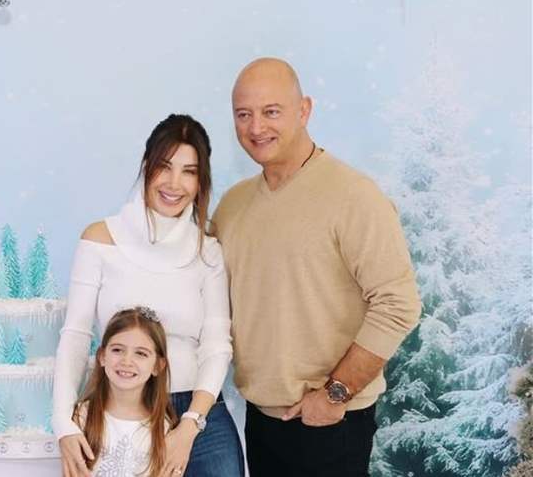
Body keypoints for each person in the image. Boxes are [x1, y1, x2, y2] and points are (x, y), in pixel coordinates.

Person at [211, 57, 422, 477]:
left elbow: (399, 304)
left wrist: (335, 394)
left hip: (330, 423)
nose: (256, 127)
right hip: (261, 420)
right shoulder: (233, 206)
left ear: (304, 110)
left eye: (272, 111)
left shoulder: (354, 196)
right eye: (243, 114)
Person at [53, 114, 245, 477]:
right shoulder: (99, 240)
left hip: (196, 410)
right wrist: (63, 423)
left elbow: (217, 344)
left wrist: (190, 424)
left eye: (189, 172)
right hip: (119, 411)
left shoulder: (208, 251)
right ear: (146, 166)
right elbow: (75, 335)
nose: (174, 183)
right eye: (165, 167)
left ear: (201, 181)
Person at [72, 307, 177, 477]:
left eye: (140, 353)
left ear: (158, 366)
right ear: (102, 356)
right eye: (117, 350)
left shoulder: (163, 427)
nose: (127, 361)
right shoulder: (83, 415)